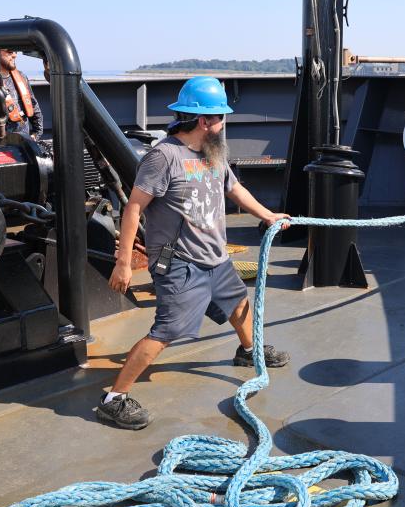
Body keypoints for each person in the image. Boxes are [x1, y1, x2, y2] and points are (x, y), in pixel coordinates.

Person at [98, 76, 291, 430]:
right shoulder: (164, 156)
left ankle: (249, 352)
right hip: (179, 261)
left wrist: (268, 215)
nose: (223, 124)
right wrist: (123, 263)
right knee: (168, 330)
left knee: (238, 304)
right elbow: (134, 209)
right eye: (220, 117)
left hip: (214, 256)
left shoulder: (213, 153)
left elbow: (234, 189)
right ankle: (114, 399)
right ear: (204, 121)